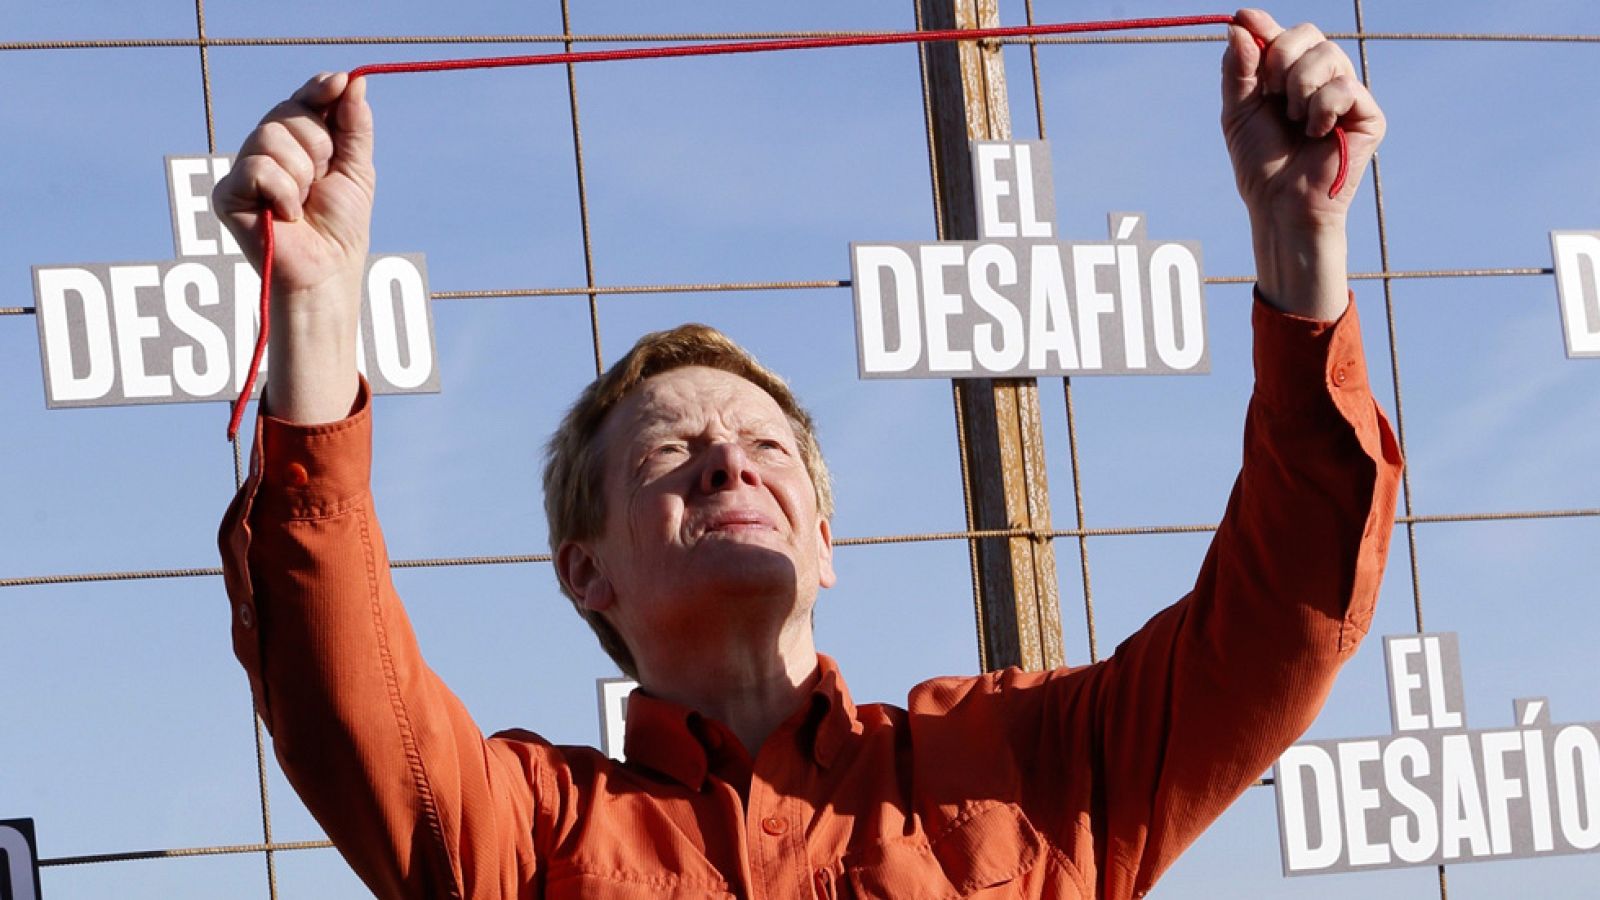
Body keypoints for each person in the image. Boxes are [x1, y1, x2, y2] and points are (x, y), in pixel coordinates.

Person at [216, 9, 1401, 899]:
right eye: (670, 451)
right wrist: (314, 313)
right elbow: (341, 695)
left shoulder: (1026, 761)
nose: (728, 466)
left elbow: (1282, 617)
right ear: (585, 571)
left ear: (825, 540)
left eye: (764, 445)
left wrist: (1299, 240)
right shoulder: (526, 829)